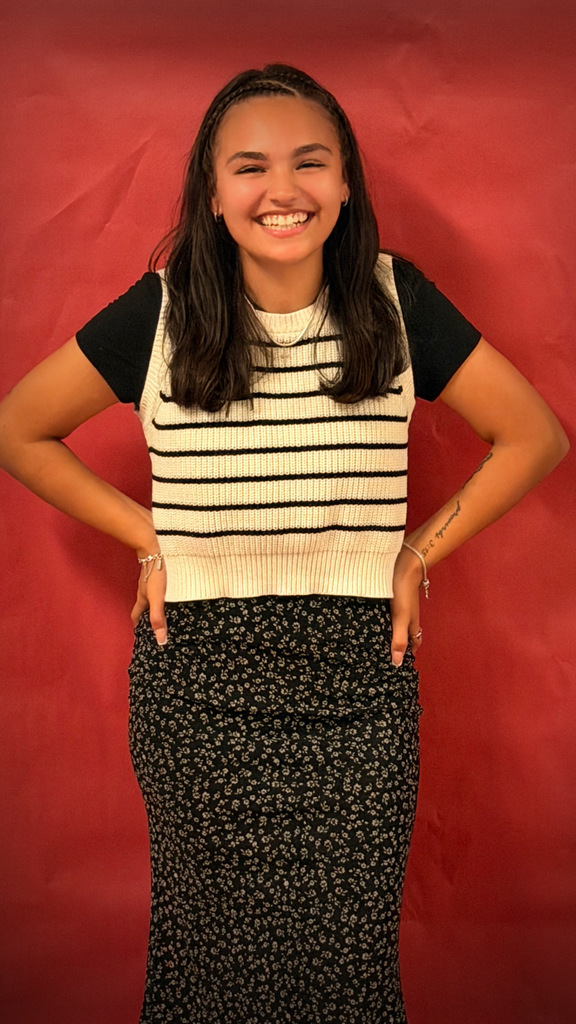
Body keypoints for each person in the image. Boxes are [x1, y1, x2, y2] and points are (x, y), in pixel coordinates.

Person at [0, 63, 568, 1024]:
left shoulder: (399, 304)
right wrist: (152, 537)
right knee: (207, 974)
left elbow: (535, 437)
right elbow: (19, 428)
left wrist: (416, 553)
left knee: (345, 978)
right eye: (249, 168)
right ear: (213, 195)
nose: (282, 190)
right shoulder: (163, 311)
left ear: (346, 184)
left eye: (310, 163)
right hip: (199, 696)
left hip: (358, 691)